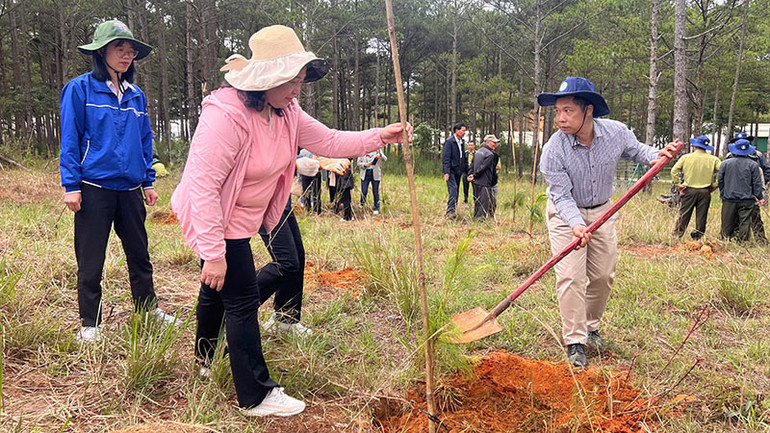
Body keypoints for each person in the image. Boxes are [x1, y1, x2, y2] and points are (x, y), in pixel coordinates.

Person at [170, 25, 411, 417]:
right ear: (266, 78)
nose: (298, 88)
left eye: (301, 79)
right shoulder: (225, 117)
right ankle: (256, 395)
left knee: (216, 291)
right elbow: (203, 188)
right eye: (292, 80)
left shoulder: (286, 111)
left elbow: (330, 141)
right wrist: (213, 252)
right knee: (242, 298)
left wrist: (380, 136)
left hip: (245, 218)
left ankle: (203, 359)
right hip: (215, 215)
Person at [537, 76, 677, 368]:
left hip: (602, 213)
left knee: (602, 276)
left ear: (588, 110)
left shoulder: (616, 133)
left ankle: (590, 326)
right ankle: (576, 341)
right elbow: (561, 197)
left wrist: (658, 155)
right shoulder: (553, 149)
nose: (560, 119)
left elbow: (640, 151)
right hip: (566, 217)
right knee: (571, 277)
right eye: (558, 111)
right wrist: (576, 225)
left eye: (568, 111)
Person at [59, 20, 176, 343]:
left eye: (130, 50)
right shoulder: (79, 89)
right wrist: (71, 185)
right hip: (94, 188)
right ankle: (91, 323)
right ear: (101, 52)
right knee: (91, 256)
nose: (126, 55)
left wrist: (148, 180)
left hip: (130, 190)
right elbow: (70, 138)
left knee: (139, 253)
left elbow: (144, 140)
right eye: (119, 49)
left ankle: (147, 307)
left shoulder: (135, 94)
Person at [670, 135, 720, 240]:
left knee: (684, 214)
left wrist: (679, 185)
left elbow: (674, 171)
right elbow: (724, 172)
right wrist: (715, 185)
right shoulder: (714, 160)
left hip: (689, 190)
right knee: (702, 216)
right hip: (705, 191)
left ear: (695, 146)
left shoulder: (686, 158)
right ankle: (698, 236)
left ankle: (677, 235)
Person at [725, 132, 770, 244]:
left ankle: (759, 240)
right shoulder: (730, 156)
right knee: (739, 217)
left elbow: (767, 170)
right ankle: (740, 239)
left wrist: (761, 187)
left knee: (754, 217)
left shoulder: (757, 155)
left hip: (746, 193)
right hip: (744, 193)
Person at [467, 135, 500, 220]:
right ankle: (480, 219)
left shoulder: (478, 152)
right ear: (488, 142)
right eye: (493, 142)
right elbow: (483, 167)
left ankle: (476, 217)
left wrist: (470, 175)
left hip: (476, 181)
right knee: (484, 201)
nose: (495, 144)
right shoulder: (490, 154)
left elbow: (472, 165)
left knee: (477, 201)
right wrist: (474, 175)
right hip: (484, 181)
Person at [442, 123, 468, 219]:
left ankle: (454, 211)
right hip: (451, 171)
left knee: (456, 190)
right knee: (453, 190)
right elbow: (446, 158)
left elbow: (463, 157)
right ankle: (450, 212)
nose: (464, 132)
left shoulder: (462, 142)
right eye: (463, 130)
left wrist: (467, 170)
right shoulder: (449, 142)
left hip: (459, 170)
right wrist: (446, 172)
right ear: (456, 131)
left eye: (465, 131)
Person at [357, 149, 387, 214]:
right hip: (365, 173)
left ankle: (376, 207)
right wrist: (364, 164)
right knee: (364, 191)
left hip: (375, 173)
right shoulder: (363, 150)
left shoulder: (378, 150)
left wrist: (380, 155)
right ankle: (362, 202)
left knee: (375, 191)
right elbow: (358, 163)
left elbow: (385, 159)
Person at [298, 149, 322, 214]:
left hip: (305, 173)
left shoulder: (302, 152)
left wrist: (299, 177)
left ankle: (308, 209)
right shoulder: (317, 151)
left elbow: (301, 163)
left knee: (306, 192)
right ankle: (317, 210)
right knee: (316, 192)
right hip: (315, 173)